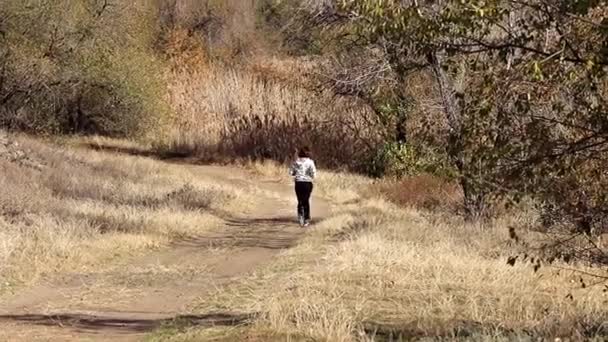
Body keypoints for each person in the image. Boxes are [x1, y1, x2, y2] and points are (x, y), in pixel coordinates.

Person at [289, 146, 317, 227]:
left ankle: (300, 216)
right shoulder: (310, 162)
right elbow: (314, 173)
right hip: (307, 183)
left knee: (300, 200)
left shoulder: (296, 162)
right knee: (306, 200)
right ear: (308, 153)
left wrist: (296, 173)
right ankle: (306, 219)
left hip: (298, 183)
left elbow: (291, 172)